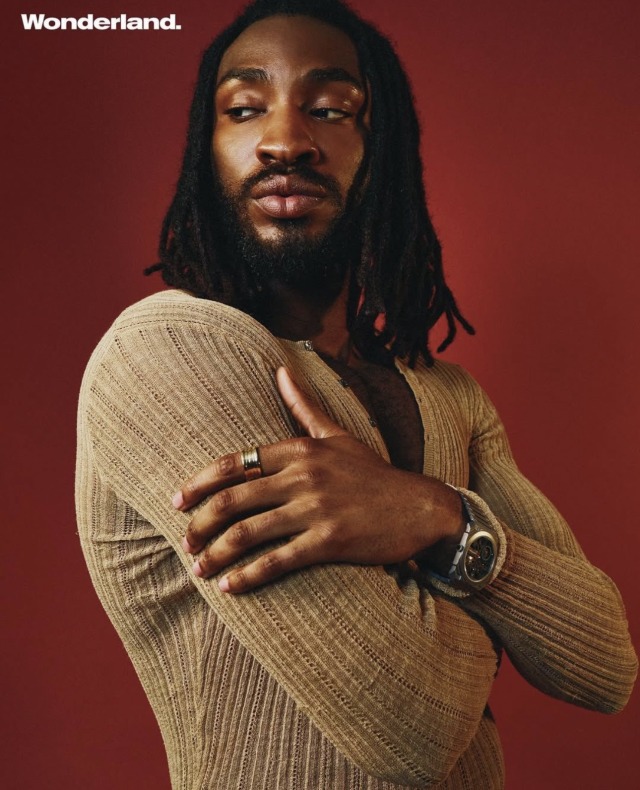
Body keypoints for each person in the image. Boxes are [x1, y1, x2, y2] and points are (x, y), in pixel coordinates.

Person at [75, 1, 637, 788]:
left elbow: (605, 664)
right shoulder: (169, 350)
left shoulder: (447, 394)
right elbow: (415, 728)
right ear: (206, 151)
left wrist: (435, 516)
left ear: (384, 152)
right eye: (244, 109)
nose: (286, 140)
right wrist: (503, 604)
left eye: (332, 110)